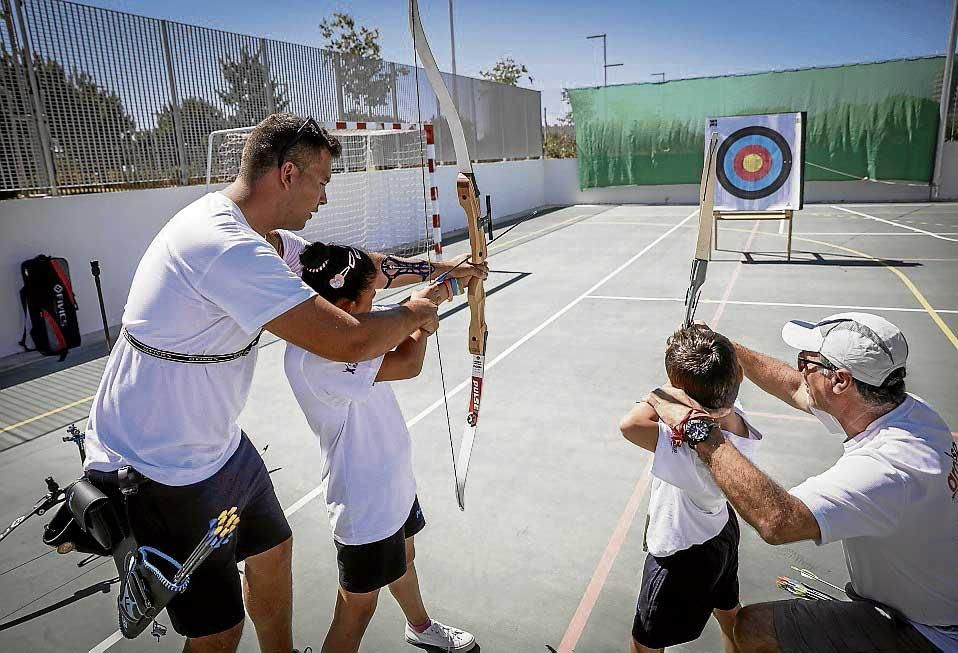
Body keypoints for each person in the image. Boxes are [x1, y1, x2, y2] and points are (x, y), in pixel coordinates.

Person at [82, 113, 483, 652]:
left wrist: (438, 269)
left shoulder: (266, 240)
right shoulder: (222, 244)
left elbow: (361, 265)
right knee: (217, 630)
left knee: (272, 552)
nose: (324, 197)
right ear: (288, 174)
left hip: (219, 446)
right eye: (321, 181)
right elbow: (346, 340)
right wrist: (417, 310)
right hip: (158, 461)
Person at [645, 313, 958, 653]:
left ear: (840, 380)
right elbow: (796, 387)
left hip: (927, 633)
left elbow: (777, 521)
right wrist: (726, 349)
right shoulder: (909, 412)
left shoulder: (886, 469)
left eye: (806, 362)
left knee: (753, 628)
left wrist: (697, 428)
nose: (801, 372)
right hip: (929, 603)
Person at [283, 241, 476, 653]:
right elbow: (407, 363)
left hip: (392, 482)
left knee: (405, 560)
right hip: (364, 501)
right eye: (370, 298)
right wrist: (420, 320)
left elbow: (386, 326)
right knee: (356, 609)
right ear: (347, 306)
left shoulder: (340, 327)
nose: (376, 305)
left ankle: (420, 626)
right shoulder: (318, 356)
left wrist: (443, 287)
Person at [619, 325, 762, 653]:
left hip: (680, 554)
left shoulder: (687, 450)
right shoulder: (738, 422)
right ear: (737, 377)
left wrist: (662, 393)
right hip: (722, 532)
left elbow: (630, 424)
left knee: (645, 644)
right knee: (730, 614)